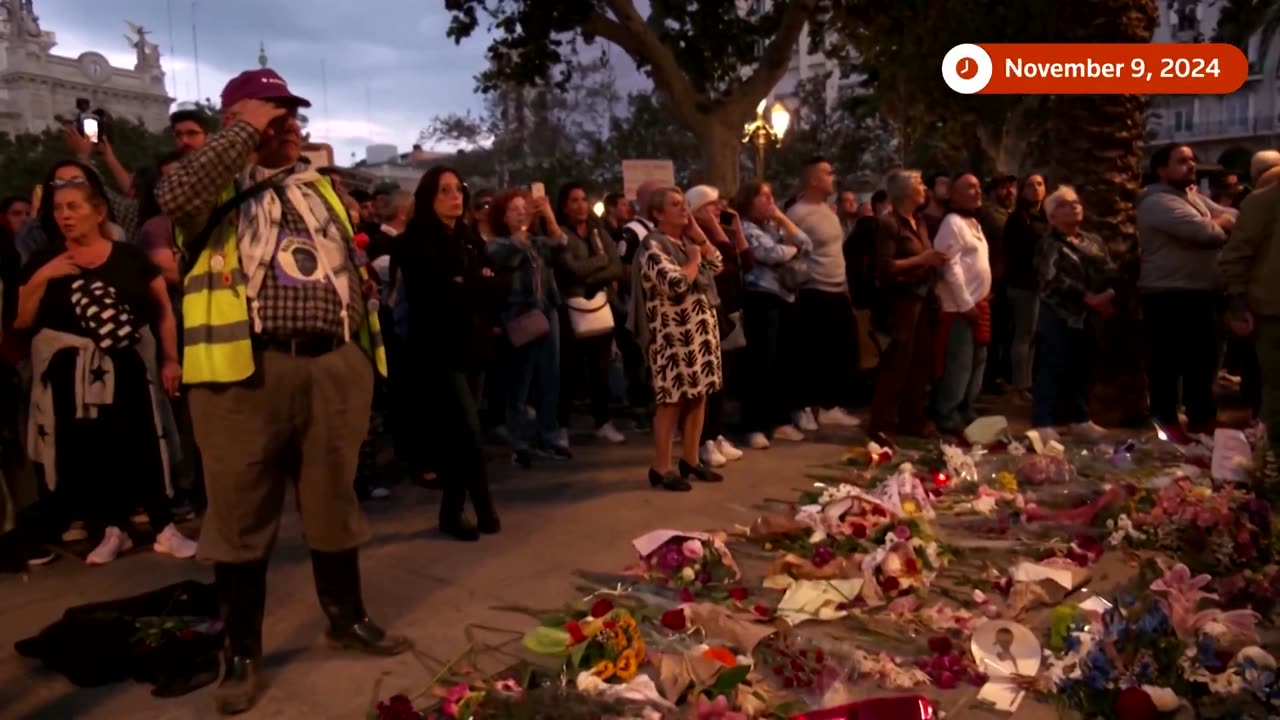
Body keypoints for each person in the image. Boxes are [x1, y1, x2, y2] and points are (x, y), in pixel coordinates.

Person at [155, 68, 409, 714]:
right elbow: (177, 196)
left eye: (292, 113)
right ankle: (240, 654)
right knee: (239, 516)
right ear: (236, 122)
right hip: (245, 373)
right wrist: (243, 132)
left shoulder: (317, 186)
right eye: (274, 114)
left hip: (331, 366)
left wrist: (356, 310)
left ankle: (345, 616)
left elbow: (340, 255)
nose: (289, 124)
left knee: (333, 501)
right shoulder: (211, 184)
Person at [16, 178, 196, 565]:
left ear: (98, 212)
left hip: (125, 362)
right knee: (90, 449)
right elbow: (22, 319)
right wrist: (42, 278)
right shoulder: (44, 259)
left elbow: (162, 309)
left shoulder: (129, 257)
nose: (65, 215)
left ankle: (164, 526)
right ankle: (110, 529)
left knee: (144, 442)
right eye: (59, 208)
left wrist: (170, 358)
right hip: (71, 371)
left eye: (74, 207)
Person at [397, 166, 501, 538]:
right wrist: (468, 284)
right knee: (469, 433)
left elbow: (491, 284)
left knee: (464, 437)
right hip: (438, 350)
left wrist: (468, 283)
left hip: (473, 346)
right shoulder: (415, 242)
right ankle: (483, 506)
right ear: (429, 198)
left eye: (458, 189)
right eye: (445, 191)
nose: (455, 196)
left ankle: (451, 512)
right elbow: (436, 296)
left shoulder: (470, 237)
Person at [1137, 145, 1237, 442]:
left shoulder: (1191, 198)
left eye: (1192, 160)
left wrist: (1218, 220)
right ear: (1161, 170)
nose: (1191, 165)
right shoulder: (1157, 202)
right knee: (1166, 363)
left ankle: (1202, 417)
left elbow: (1232, 214)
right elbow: (1206, 233)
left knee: (1203, 360)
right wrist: (1218, 223)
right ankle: (1165, 422)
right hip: (1169, 293)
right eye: (1182, 161)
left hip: (1200, 292)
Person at [631, 186, 724, 491]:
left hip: (700, 332)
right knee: (671, 401)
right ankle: (662, 467)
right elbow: (675, 283)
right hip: (672, 336)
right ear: (657, 214)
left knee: (699, 395)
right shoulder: (651, 247)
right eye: (675, 205)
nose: (684, 209)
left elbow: (718, 263)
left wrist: (698, 235)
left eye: (684, 204)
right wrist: (695, 259)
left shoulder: (685, 241)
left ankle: (691, 459)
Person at [870, 170, 947, 443]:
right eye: (919, 184)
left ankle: (912, 418)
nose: (925, 188)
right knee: (897, 362)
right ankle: (883, 423)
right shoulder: (889, 223)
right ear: (903, 191)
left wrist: (933, 261)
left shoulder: (920, 222)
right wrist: (922, 260)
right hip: (900, 302)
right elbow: (884, 267)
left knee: (921, 362)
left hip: (922, 299)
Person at [1031, 186, 1114, 441]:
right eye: (1065, 204)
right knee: (1052, 364)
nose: (1074, 206)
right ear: (1052, 215)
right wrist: (1087, 297)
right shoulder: (1048, 243)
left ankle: (1080, 418)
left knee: (1083, 365)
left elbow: (1109, 269)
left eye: (1076, 202)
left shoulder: (1093, 240)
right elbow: (1053, 278)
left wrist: (1108, 294)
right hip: (1059, 312)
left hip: (1091, 313)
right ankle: (1043, 422)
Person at [736, 179, 812, 450]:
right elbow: (769, 254)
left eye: (771, 195)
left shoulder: (772, 225)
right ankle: (754, 425)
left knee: (782, 362)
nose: (770, 201)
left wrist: (781, 218)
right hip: (761, 298)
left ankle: (779, 421)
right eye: (763, 197)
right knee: (761, 363)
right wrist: (794, 251)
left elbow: (806, 242)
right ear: (748, 200)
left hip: (785, 297)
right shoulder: (744, 228)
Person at [787, 157, 862, 431]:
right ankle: (803, 407)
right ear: (814, 180)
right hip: (813, 292)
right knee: (811, 354)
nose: (834, 177)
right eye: (828, 173)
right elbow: (789, 251)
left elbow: (836, 253)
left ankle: (829, 406)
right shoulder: (797, 213)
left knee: (841, 352)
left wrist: (846, 290)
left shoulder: (829, 212)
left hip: (837, 289)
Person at [1221, 158, 1280, 485]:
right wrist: (1239, 301)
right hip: (1274, 312)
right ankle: (1272, 470)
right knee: (1277, 395)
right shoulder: (1265, 201)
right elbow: (1235, 255)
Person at [553, 182, 626, 446]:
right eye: (574, 200)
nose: (581, 205)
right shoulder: (559, 234)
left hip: (600, 307)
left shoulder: (598, 232)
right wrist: (600, 261)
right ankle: (560, 426)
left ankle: (603, 421)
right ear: (564, 206)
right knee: (569, 372)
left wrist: (594, 275)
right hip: (570, 309)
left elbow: (617, 267)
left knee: (600, 370)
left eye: (584, 199)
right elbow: (571, 270)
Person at [686, 185, 749, 468]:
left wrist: (732, 228)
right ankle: (704, 440)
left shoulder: (716, 235)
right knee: (707, 383)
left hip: (728, 312)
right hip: (705, 313)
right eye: (711, 207)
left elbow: (743, 260)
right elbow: (721, 262)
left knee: (722, 379)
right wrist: (712, 227)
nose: (718, 212)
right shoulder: (692, 238)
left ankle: (716, 432)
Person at [932, 173, 992, 434]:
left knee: (978, 360)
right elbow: (950, 267)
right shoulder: (952, 223)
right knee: (960, 362)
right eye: (969, 187)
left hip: (979, 304)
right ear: (953, 195)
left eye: (978, 187)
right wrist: (966, 302)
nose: (976, 191)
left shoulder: (974, 224)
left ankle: (968, 407)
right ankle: (948, 412)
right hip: (959, 308)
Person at [1001, 174, 1048, 394]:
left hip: (1039, 285)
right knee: (1023, 334)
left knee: (1033, 335)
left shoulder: (1044, 216)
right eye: (1030, 185)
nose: (1035, 189)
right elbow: (1018, 252)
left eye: (1039, 184)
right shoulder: (1019, 218)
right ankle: (1020, 384)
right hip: (1023, 284)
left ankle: (1027, 382)